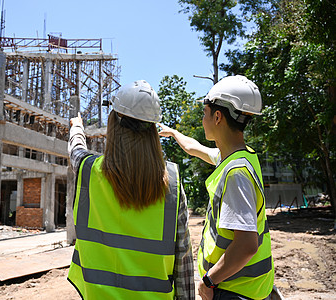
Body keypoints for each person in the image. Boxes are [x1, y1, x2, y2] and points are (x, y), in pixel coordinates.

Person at [67, 80, 195, 299]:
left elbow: (76, 150)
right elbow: (183, 259)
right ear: (152, 130)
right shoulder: (171, 181)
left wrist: (77, 127)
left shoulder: (90, 170)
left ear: (114, 123)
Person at [159, 75, 274, 300]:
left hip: (234, 290)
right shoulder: (239, 156)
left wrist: (210, 280)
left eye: (205, 113)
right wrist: (173, 133)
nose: (203, 119)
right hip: (244, 287)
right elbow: (195, 147)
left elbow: (246, 245)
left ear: (218, 116)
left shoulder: (236, 173)